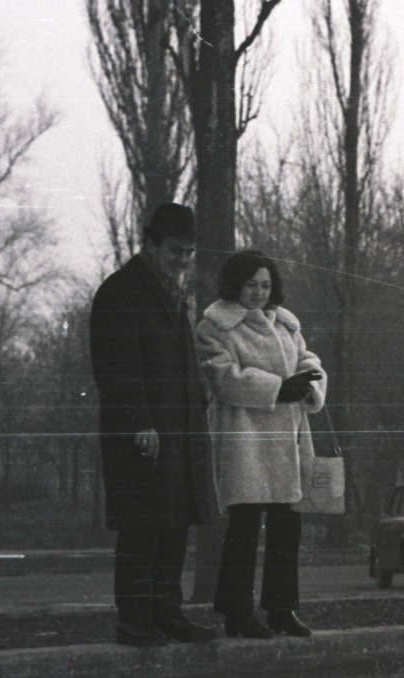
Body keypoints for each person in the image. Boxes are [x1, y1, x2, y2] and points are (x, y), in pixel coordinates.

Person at [89, 202, 220, 647]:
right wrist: (140, 422)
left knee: (174, 526)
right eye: (175, 250)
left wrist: (199, 401)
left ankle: (168, 614)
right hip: (144, 434)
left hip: (178, 431)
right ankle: (135, 620)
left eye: (189, 252)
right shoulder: (120, 292)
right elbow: (116, 369)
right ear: (150, 244)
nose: (183, 259)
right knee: (143, 530)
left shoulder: (168, 292)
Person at [196, 250, 327, 639]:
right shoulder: (215, 326)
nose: (258, 292)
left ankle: (281, 609)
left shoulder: (285, 323)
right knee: (245, 527)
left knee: (288, 527)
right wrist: (276, 387)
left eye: (266, 284)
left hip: (287, 436)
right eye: (251, 284)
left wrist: (309, 382)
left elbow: (308, 358)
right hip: (246, 438)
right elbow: (222, 377)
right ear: (235, 284)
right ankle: (237, 612)